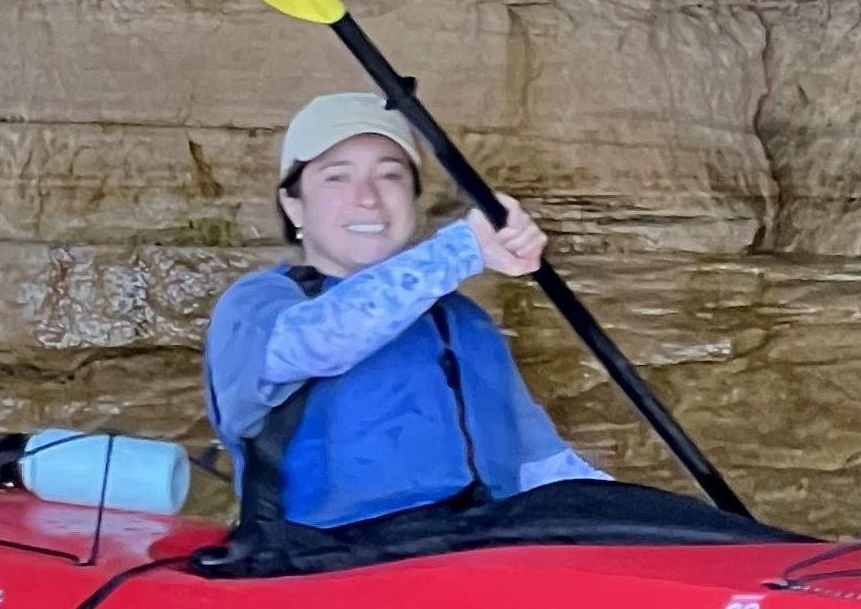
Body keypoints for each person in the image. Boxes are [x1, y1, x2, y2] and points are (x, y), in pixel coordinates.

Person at [204, 90, 609, 551]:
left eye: (391, 175)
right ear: (294, 205)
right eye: (337, 177)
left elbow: (542, 467)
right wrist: (462, 248)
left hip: (481, 554)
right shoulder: (257, 305)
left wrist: (640, 526)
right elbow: (320, 341)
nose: (368, 198)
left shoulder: (462, 321)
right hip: (320, 562)